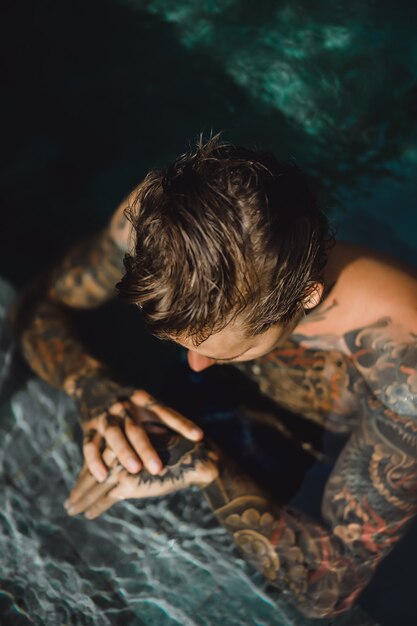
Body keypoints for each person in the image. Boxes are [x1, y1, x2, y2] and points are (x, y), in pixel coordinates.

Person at [13, 134, 417, 619]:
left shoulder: (401, 366)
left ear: (305, 298)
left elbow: (328, 589)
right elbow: (38, 303)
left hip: (320, 441)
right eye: (181, 343)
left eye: (226, 350)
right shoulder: (160, 221)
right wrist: (91, 386)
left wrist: (209, 466)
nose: (194, 365)